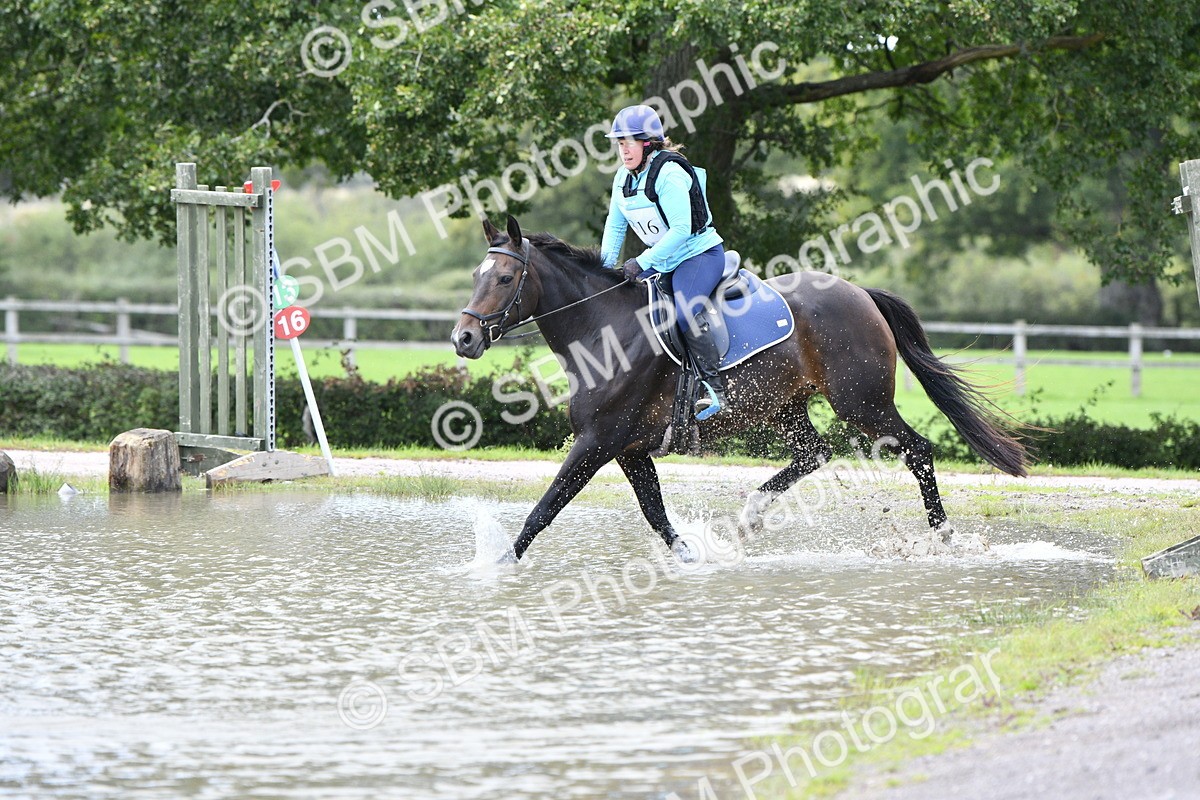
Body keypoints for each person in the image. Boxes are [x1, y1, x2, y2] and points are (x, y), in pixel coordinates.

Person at [599, 104, 729, 420]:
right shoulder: (622, 179)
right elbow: (615, 226)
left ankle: (715, 390)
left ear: (648, 143)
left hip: (698, 256)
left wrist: (641, 261)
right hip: (663, 262)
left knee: (684, 315)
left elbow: (682, 230)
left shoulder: (669, 173)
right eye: (619, 143)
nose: (623, 150)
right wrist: (602, 270)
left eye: (629, 142)